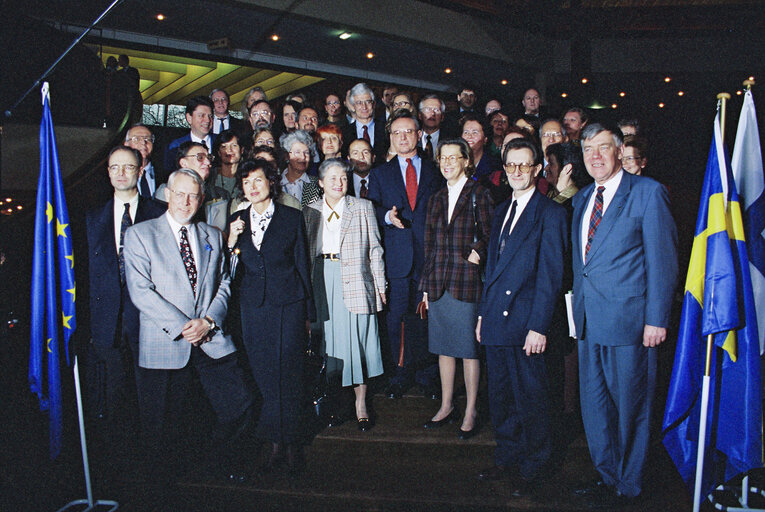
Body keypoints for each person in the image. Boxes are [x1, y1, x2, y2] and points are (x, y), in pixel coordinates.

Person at [571, 123, 677, 507]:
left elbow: (662, 261)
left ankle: (630, 485)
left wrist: (657, 319)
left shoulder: (648, 193)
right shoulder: (582, 199)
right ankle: (607, 475)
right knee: (595, 407)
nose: (595, 156)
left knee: (631, 408)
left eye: (602, 148)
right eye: (587, 149)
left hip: (631, 323)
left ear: (619, 151)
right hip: (588, 322)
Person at [123, 167, 253, 478]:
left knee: (240, 402)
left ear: (202, 199)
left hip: (210, 337)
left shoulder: (211, 234)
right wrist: (185, 325)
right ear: (167, 196)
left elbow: (223, 282)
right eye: (179, 195)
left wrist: (208, 321)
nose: (185, 202)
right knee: (164, 424)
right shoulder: (140, 234)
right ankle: (163, 486)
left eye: (193, 196)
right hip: (167, 342)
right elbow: (141, 292)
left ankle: (220, 466)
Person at [475, 139, 567, 496]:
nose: (516, 172)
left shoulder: (551, 213)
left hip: (527, 323)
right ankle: (508, 456)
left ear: (536, 170)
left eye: (523, 166)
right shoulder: (501, 211)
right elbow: (493, 269)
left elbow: (551, 276)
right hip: (497, 321)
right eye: (510, 165)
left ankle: (536, 464)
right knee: (500, 396)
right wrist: (483, 316)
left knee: (532, 397)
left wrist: (538, 326)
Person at [227, 159, 314, 476]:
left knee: (287, 374)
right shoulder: (237, 219)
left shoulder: (291, 217)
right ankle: (277, 441)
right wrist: (231, 241)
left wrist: (308, 314)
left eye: (258, 180)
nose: (252, 186)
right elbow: (231, 269)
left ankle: (288, 445)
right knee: (264, 375)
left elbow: (302, 264)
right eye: (246, 181)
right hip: (253, 308)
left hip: (288, 305)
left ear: (271, 183)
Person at [83, 146, 165, 440]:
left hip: (149, 323)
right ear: (107, 173)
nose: (120, 173)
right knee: (113, 400)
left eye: (127, 167)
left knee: (149, 399)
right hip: (107, 325)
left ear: (140, 170)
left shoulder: (159, 215)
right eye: (114, 167)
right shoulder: (92, 218)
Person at [303, 158, 387, 431]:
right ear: (320, 183)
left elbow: (375, 249)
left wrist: (380, 286)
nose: (339, 183)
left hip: (355, 281)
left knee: (357, 343)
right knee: (330, 345)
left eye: (343, 178)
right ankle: (337, 402)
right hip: (321, 282)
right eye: (332, 178)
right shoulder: (309, 211)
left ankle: (361, 403)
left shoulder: (362, 207)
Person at [366, 109, 444, 399]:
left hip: (429, 259)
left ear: (419, 134)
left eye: (408, 131)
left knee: (427, 319)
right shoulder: (380, 173)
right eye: (397, 132)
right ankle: (399, 375)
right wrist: (387, 216)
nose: (403, 137)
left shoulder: (435, 171)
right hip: (396, 261)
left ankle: (427, 375)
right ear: (390, 137)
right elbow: (369, 210)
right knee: (396, 319)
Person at [419, 139, 493, 439]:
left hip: (466, 281)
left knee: (468, 350)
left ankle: (471, 409)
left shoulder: (480, 193)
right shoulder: (435, 198)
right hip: (438, 282)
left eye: (453, 157)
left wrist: (477, 252)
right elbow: (429, 245)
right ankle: (447, 404)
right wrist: (425, 287)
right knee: (443, 349)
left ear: (466, 161)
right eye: (442, 157)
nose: (447, 162)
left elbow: (490, 232)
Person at [164, 96, 215, 173]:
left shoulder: (221, 143)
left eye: (210, 116)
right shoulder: (176, 146)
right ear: (189, 118)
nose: (207, 120)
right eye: (201, 116)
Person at [342, 83, 388, 163]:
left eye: (368, 102)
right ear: (353, 106)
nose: (364, 107)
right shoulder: (344, 132)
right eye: (359, 103)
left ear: (374, 104)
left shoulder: (386, 128)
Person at [280, 130, 322, 208]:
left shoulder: (318, 184)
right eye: (297, 152)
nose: (303, 157)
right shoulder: (276, 183)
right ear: (287, 156)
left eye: (306, 153)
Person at [124, 124, 158, 198]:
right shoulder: (119, 175)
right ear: (126, 145)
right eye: (136, 139)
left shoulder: (165, 175)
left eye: (147, 139)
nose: (143, 143)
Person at [210, 130, 244, 198]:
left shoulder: (247, 175)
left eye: (234, 146)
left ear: (241, 150)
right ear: (219, 152)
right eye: (224, 146)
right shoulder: (211, 175)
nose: (229, 150)